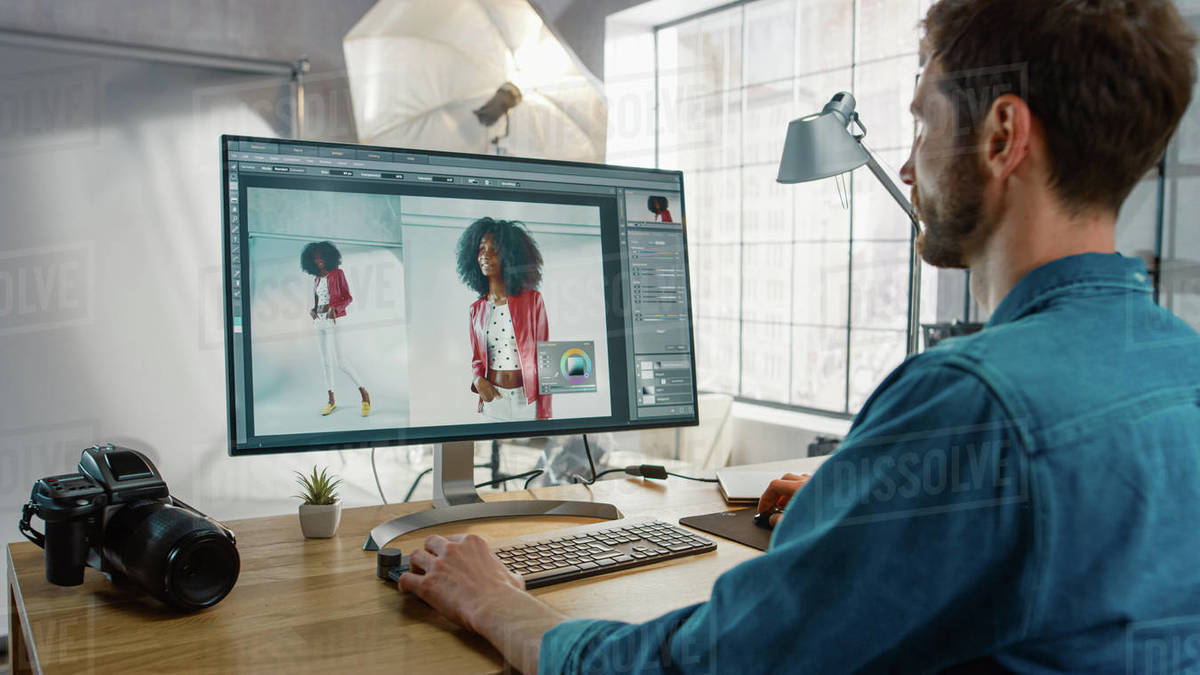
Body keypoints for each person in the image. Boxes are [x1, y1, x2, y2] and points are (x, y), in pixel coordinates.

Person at [395, 1, 1200, 671]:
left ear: (999, 136)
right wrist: (870, 509)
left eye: (922, 122)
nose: (910, 166)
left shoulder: (972, 400)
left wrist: (500, 604)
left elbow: (712, 663)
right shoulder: (1182, 369)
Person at [457, 217, 552, 421]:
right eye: (481, 249)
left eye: (494, 250)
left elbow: (546, 359)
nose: (485, 256)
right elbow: (477, 360)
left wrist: (545, 412)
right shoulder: (476, 310)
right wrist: (477, 381)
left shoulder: (533, 301)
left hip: (527, 401)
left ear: (511, 256)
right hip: (493, 400)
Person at [299, 241, 370, 417]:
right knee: (325, 362)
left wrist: (335, 309)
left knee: (341, 361)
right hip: (319, 321)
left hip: (334, 320)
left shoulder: (338, 273)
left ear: (328, 257)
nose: (319, 261)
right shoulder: (316, 279)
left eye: (321, 257)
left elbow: (348, 297)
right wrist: (313, 310)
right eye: (315, 258)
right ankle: (331, 400)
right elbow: (319, 300)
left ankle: (365, 395)